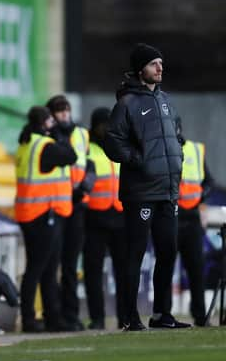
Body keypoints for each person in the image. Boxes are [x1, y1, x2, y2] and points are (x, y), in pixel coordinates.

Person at [104, 43, 189, 330]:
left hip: (167, 190)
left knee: (168, 251)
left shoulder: (165, 100)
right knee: (135, 254)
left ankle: (161, 314)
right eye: (154, 64)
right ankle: (129, 317)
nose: (160, 68)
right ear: (141, 69)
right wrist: (137, 159)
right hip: (140, 192)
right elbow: (112, 141)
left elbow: (176, 135)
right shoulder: (127, 103)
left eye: (161, 64)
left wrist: (178, 154)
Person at [15, 106, 76, 333]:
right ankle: (30, 319)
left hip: (29, 213)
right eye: (51, 120)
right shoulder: (45, 146)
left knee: (46, 269)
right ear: (44, 123)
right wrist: (60, 135)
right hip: (43, 214)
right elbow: (71, 155)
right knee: (39, 269)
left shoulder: (26, 144)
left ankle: (52, 318)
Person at [46, 95, 95, 331]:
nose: (64, 114)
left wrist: (84, 187)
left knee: (70, 265)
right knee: (53, 262)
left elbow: (89, 165)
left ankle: (71, 315)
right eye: (59, 111)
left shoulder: (82, 134)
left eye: (66, 110)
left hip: (77, 204)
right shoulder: (48, 136)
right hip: (55, 203)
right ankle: (54, 316)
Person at [82, 107, 128, 330]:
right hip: (94, 218)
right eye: (103, 123)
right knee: (93, 273)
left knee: (124, 272)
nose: (107, 127)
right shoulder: (87, 150)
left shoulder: (119, 146)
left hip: (120, 218)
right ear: (95, 125)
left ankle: (124, 317)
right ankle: (97, 318)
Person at [176, 117, 213, 326]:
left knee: (196, 268)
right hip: (170, 216)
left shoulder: (196, 150)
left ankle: (200, 315)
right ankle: (163, 315)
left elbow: (209, 181)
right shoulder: (159, 149)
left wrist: (202, 196)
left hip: (191, 218)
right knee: (164, 269)